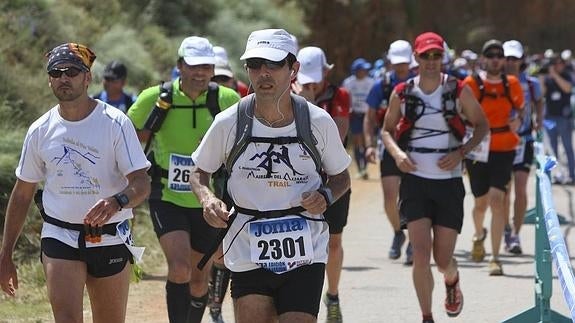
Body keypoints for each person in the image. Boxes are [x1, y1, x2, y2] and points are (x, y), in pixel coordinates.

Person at [190, 28, 351, 323]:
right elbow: (199, 171)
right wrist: (207, 198)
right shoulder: (229, 122)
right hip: (248, 246)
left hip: (306, 250)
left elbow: (342, 177)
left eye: (274, 64)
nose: (263, 73)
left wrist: (326, 196)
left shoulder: (317, 121)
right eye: (255, 64)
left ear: (294, 69)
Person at [0, 42, 151, 322]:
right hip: (60, 234)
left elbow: (141, 183)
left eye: (72, 70)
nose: (63, 78)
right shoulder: (40, 130)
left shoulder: (115, 123)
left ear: (87, 77)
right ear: (49, 80)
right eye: (56, 72)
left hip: (109, 235)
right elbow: (22, 194)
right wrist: (5, 253)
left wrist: (116, 201)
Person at [127, 36, 240, 323]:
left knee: (199, 279)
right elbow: (125, 139)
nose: (200, 73)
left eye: (206, 66)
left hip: (209, 203)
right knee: (179, 269)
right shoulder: (154, 98)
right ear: (180, 66)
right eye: (193, 66)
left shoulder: (226, 100)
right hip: (166, 196)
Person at [382, 32, 488, 323]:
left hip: (449, 183)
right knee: (420, 254)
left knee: (442, 261)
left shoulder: (458, 89)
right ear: (416, 58)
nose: (431, 62)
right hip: (415, 181)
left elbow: (481, 125)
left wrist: (462, 152)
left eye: (436, 56)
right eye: (425, 56)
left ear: (443, 57)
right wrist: (398, 155)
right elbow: (386, 130)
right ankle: (426, 316)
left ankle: (452, 280)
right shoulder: (402, 92)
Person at [293, 45, 351, 323]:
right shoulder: (283, 96)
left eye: (316, 78)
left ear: (327, 72)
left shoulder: (341, 95)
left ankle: (334, 295)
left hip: (333, 182)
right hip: (298, 184)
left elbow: (335, 139)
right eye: (306, 80)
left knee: (334, 242)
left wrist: (309, 105)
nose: (311, 84)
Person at [463, 39, 525, 276]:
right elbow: (461, 113)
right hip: (479, 148)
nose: (496, 59)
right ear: (484, 59)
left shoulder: (512, 84)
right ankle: (479, 235)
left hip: (504, 147)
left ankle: (495, 257)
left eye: (499, 55)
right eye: (491, 55)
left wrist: (519, 119)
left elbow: (521, 109)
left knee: (497, 201)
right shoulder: (471, 84)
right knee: (480, 204)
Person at [364, 39, 417, 264]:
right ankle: (398, 233)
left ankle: (415, 240)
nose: (401, 67)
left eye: (404, 63)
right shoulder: (382, 86)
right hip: (389, 145)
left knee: (414, 197)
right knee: (389, 198)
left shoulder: (419, 84)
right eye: (397, 63)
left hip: (416, 147)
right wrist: (368, 145)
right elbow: (369, 117)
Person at [502, 40, 544, 255]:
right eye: (507, 58)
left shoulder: (531, 83)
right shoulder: (496, 81)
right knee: (504, 192)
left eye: (514, 59)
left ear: (521, 61)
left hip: (524, 140)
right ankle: (505, 230)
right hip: (501, 142)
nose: (510, 62)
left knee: (520, 189)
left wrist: (539, 121)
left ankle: (515, 234)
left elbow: (539, 101)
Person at [540, 54, 575, 184]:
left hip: (564, 118)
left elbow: (568, 88)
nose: (557, 66)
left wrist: (555, 75)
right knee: (552, 150)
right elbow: (541, 94)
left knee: (567, 148)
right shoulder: (548, 78)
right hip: (550, 118)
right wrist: (542, 79)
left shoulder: (567, 75)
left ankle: (572, 175)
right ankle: (556, 175)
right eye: (554, 64)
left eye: (560, 63)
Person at [342, 57, 375, 179]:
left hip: (367, 115)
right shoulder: (348, 83)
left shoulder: (371, 82)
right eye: (362, 69)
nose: (364, 72)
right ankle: (360, 167)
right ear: (356, 71)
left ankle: (365, 168)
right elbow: (344, 98)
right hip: (355, 115)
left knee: (366, 142)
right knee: (357, 142)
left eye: (365, 70)